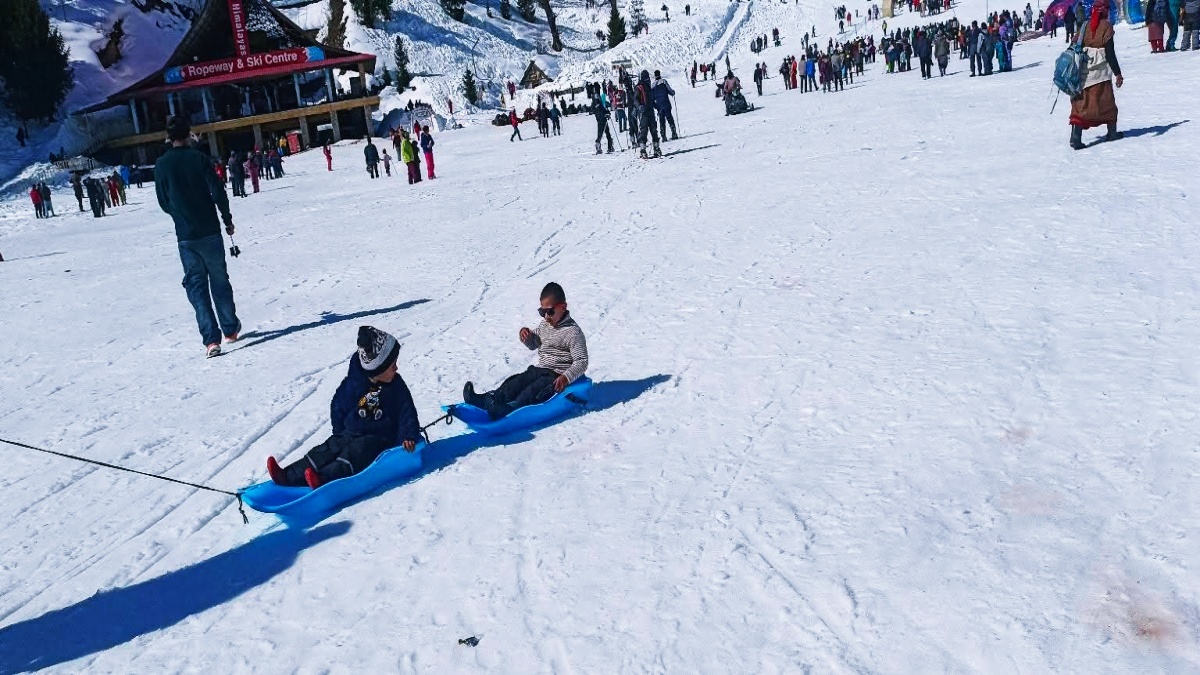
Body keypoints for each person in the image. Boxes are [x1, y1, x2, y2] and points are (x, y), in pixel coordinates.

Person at [267, 326, 420, 490]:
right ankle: (288, 475)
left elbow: (406, 412)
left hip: (378, 437)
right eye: (392, 365)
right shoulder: (354, 384)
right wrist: (339, 432)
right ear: (378, 369)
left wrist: (407, 436)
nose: (396, 369)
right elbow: (338, 406)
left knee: (353, 455)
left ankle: (324, 479)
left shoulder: (396, 386)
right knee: (326, 450)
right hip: (350, 432)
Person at [154, 116, 241, 358]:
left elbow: (162, 200)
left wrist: (179, 214)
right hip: (210, 230)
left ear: (169, 137)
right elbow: (218, 190)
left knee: (197, 286)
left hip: (186, 235)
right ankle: (230, 329)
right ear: (188, 134)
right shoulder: (199, 158)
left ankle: (211, 341)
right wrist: (227, 219)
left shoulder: (161, 164)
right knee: (219, 281)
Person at [462, 283, 589, 420]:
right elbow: (534, 343)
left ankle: (509, 409)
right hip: (539, 369)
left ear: (563, 307)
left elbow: (581, 361)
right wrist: (527, 336)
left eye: (550, 312)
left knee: (532, 391)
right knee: (516, 382)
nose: (546, 316)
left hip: (556, 375)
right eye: (542, 312)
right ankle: (488, 400)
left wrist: (566, 377)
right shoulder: (545, 325)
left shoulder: (572, 332)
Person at [1070, 0, 1123, 149]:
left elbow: (1075, 44)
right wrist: (1118, 73)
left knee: (1081, 105)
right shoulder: (1107, 26)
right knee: (1107, 104)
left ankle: (1075, 137)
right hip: (1101, 75)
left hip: (1084, 73)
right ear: (1105, 11)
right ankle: (1112, 133)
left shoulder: (1084, 25)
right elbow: (1110, 54)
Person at [635, 70, 662, 158]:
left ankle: (656, 148)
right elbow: (635, 99)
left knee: (654, 130)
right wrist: (639, 106)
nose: (648, 79)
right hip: (643, 113)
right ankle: (643, 150)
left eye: (648, 77)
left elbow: (651, 100)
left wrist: (657, 107)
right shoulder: (639, 87)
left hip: (650, 111)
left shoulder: (648, 87)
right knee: (643, 131)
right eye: (646, 77)